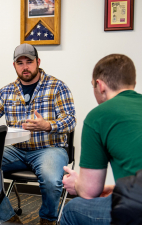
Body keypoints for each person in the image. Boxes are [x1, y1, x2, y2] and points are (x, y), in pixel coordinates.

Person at [0, 44, 76, 224]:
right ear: (14, 66)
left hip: (49, 149)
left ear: (38, 62)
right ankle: (9, 218)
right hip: (17, 150)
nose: (25, 66)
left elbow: (70, 120)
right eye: (20, 63)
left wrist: (47, 125)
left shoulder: (57, 87)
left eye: (29, 61)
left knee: (51, 181)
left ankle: (48, 220)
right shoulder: (7, 91)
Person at [61, 54, 142, 225]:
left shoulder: (98, 116)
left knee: (72, 209)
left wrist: (76, 184)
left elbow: (89, 192)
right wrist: (117, 189)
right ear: (132, 84)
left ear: (100, 85)